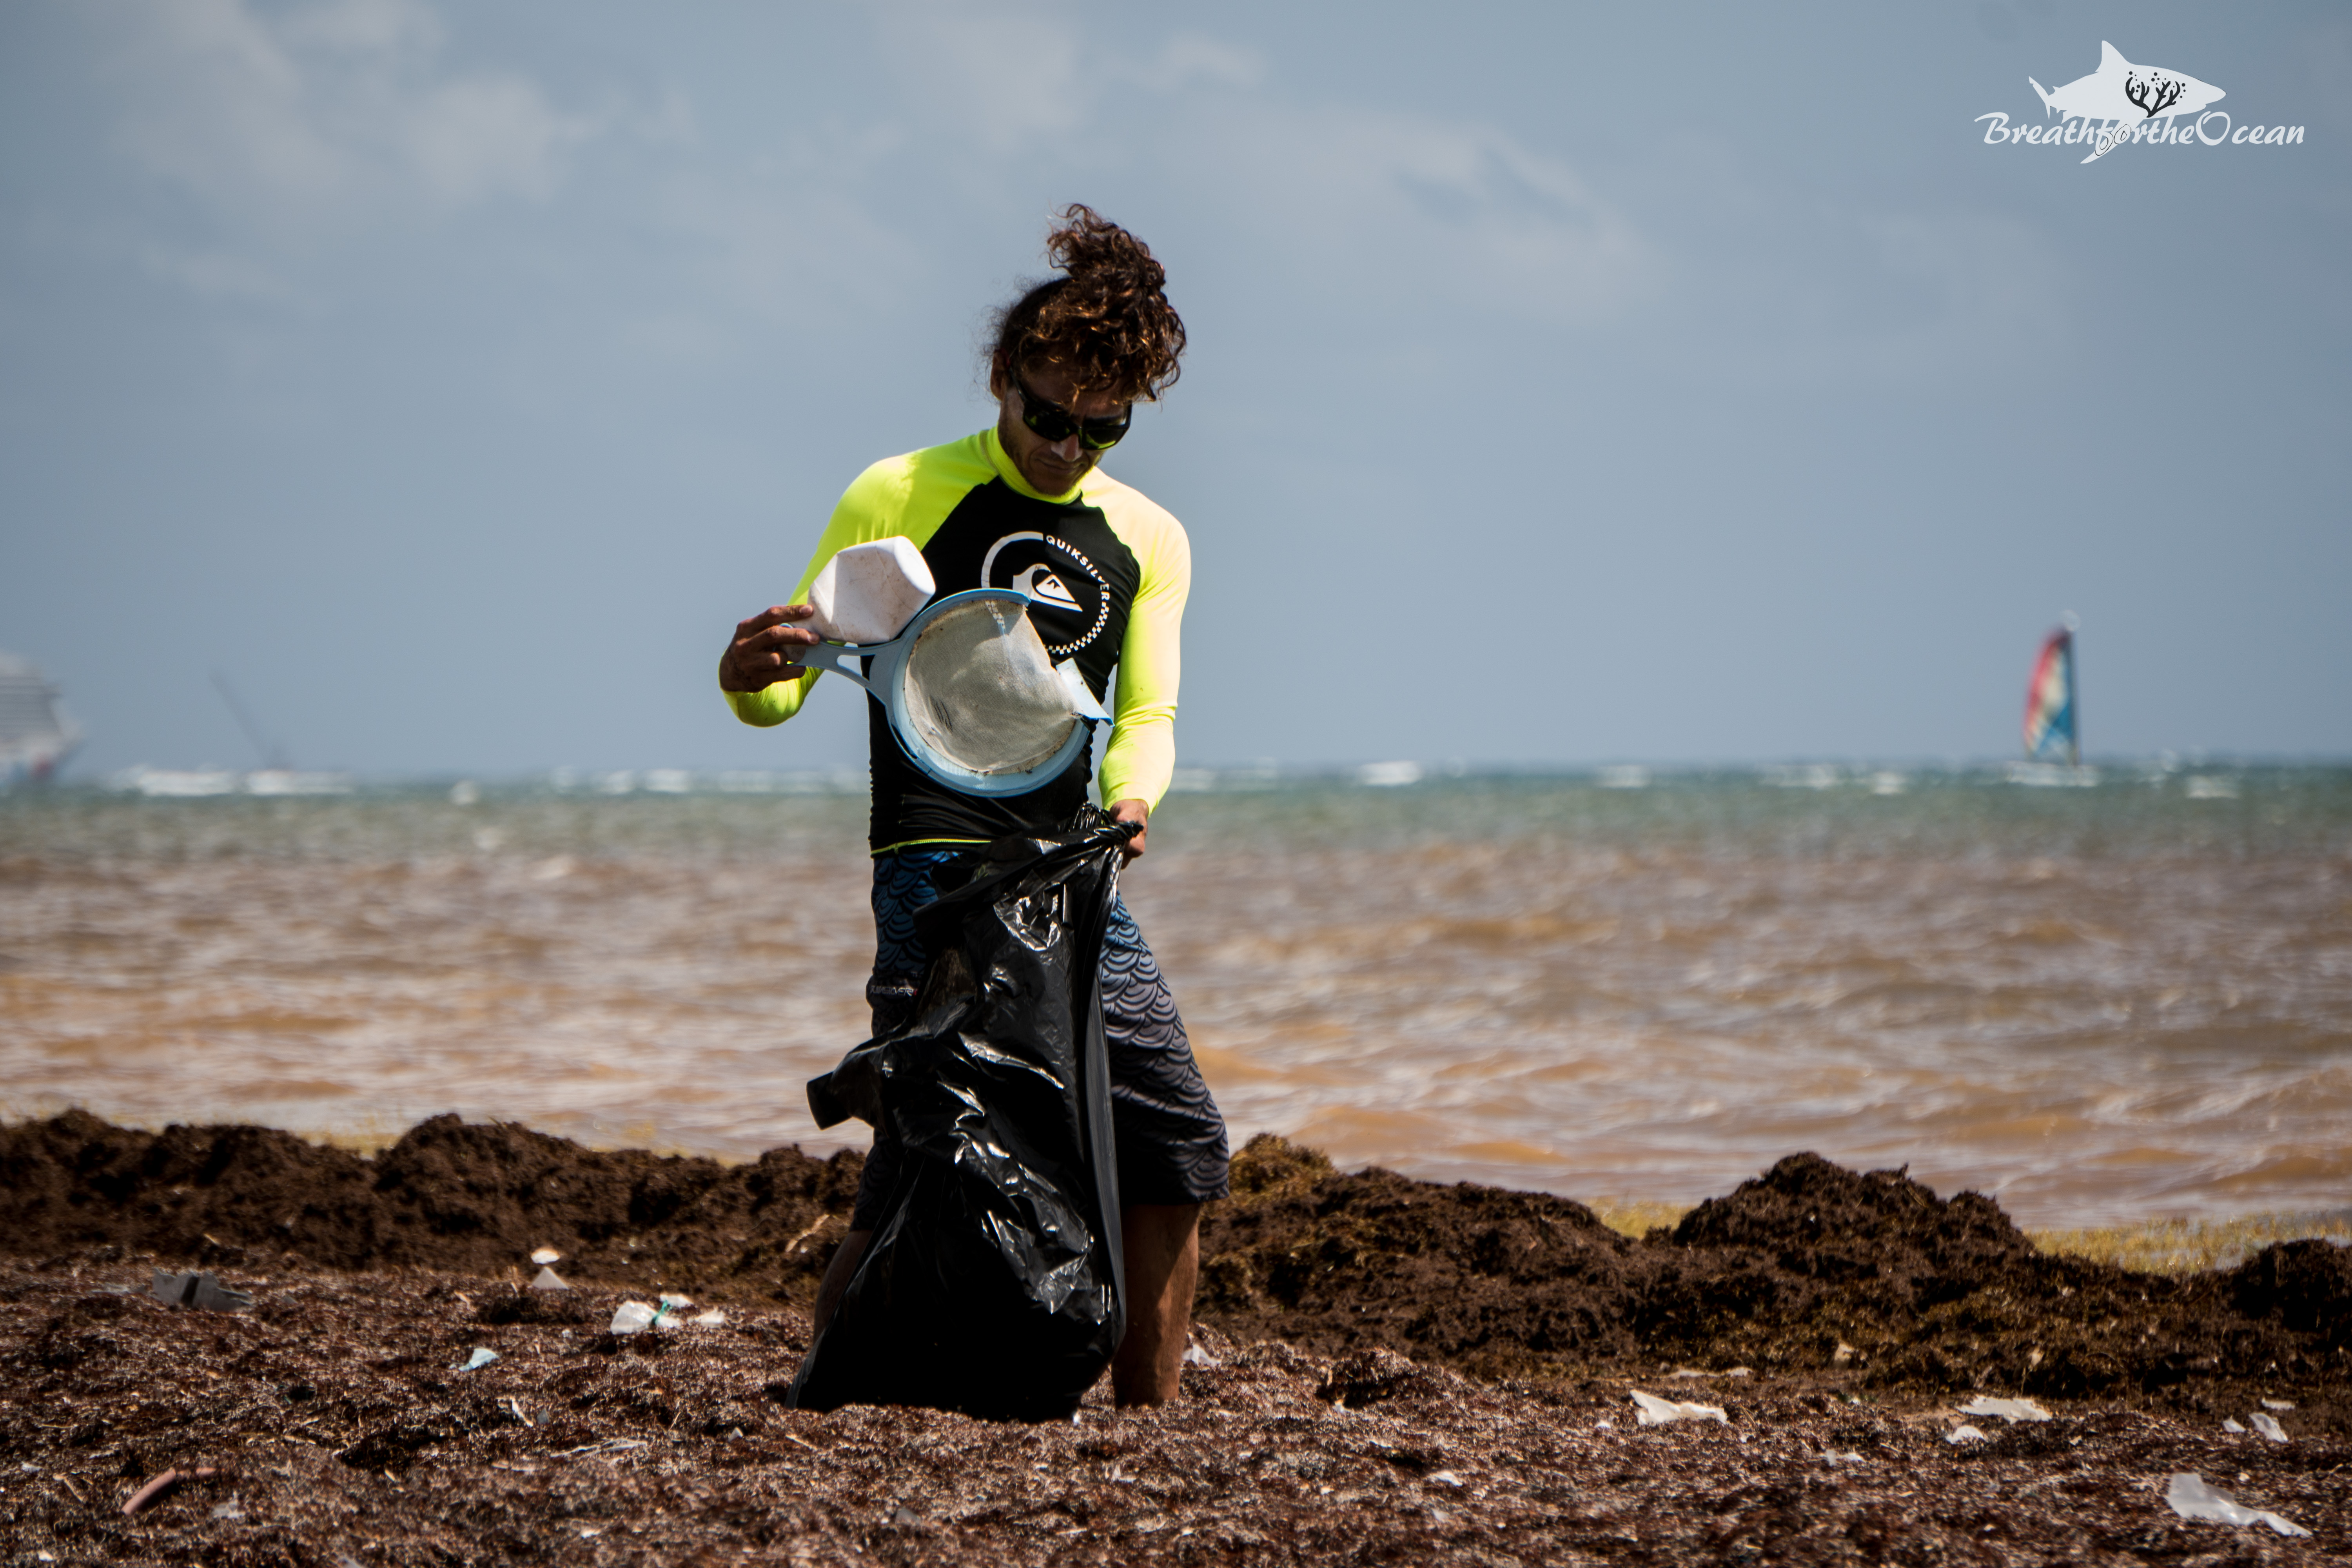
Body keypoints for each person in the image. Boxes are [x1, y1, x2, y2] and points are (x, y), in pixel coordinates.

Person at [717, 205, 1227, 1406]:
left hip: (1069, 870)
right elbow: (788, 686)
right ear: (1001, 379)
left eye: (1098, 432)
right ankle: (819, 1398)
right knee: (923, 1146)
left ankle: (1149, 1418)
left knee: (1175, 1142)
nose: (1063, 450)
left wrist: (1135, 801)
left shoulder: (1147, 537)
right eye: (1044, 417)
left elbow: (1145, 709)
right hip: (934, 872)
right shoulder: (900, 492)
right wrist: (750, 672)